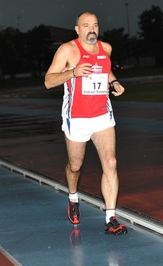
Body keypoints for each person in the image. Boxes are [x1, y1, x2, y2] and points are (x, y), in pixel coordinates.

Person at [44, 11, 127, 235]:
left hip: (102, 115)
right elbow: (48, 81)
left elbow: (105, 71)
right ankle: (73, 198)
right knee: (75, 166)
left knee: (110, 162)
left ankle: (110, 218)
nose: (91, 29)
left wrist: (115, 82)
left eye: (95, 25)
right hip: (77, 118)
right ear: (78, 29)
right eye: (86, 25)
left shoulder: (106, 48)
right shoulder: (68, 50)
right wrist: (73, 72)